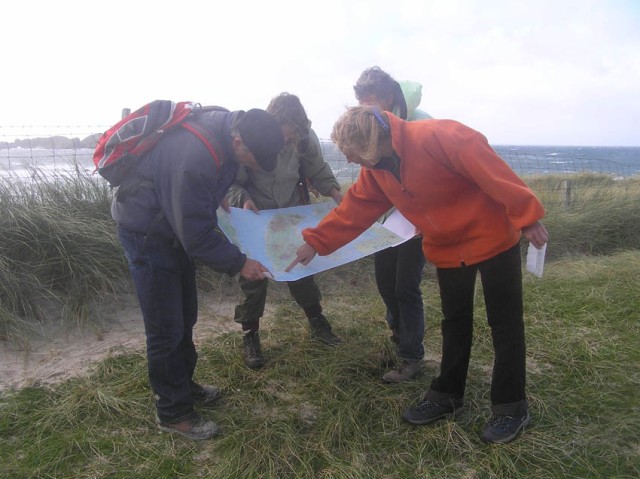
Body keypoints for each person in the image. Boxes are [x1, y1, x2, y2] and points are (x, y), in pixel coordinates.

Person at [286, 106, 549, 444]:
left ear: (371, 141)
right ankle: (447, 395)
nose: (351, 162)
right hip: (449, 248)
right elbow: (355, 210)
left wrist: (527, 216)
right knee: (455, 322)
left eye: (353, 153)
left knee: (505, 323)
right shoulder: (377, 169)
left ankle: (511, 407)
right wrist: (316, 242)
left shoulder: (439, 136)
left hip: (493, 238)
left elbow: (492, 172)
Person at [112, 107, 284, 440]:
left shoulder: (226, 130)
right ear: (239, 141)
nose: (255, 164)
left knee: (185, 316)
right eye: (254, 158)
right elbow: (196, 235)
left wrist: (217, 193)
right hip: (147, 232)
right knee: (165, 327)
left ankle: (183, 387)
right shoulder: (195, 158)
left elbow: (211, 183)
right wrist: (240, 263)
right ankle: (173, 413)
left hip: (171, 230)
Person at [226, 92, 343, 369]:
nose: (288, 142)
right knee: (253, 278)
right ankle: (250, 336)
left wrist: (337, 194)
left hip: (291, 214)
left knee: (301, 270)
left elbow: (318, 168)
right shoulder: (252, 138)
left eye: (292, 137)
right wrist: (243, 199)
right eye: (284, 137)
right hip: (255, 217)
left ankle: (317, 321)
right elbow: (231, 182)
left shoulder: (303, 137)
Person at [353, 66, 431, 383]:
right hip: (387, 220)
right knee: (385, 281)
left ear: (388, 97)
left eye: (370, 102)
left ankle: (412, 358)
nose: (366, 111)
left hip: (418, 220)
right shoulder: (372, 124)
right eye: (361, 104)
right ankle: (399, 339)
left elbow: (433, 176)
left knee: (405, 287)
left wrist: (426, 215)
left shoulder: (422, 123)